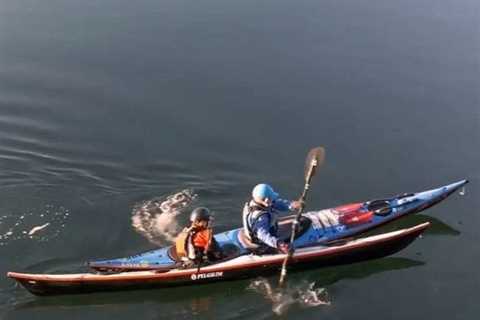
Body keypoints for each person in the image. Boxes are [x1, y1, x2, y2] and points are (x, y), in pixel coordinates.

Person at [242, 183, 303, 254]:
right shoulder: (261, 218)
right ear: (266, 200)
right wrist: (279, 244)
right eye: (271, 198)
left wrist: (292, 205)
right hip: (262, 241)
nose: (272, 200)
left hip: (261, 231)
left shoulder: (259, 202)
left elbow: (277, 203)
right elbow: (263, 235)